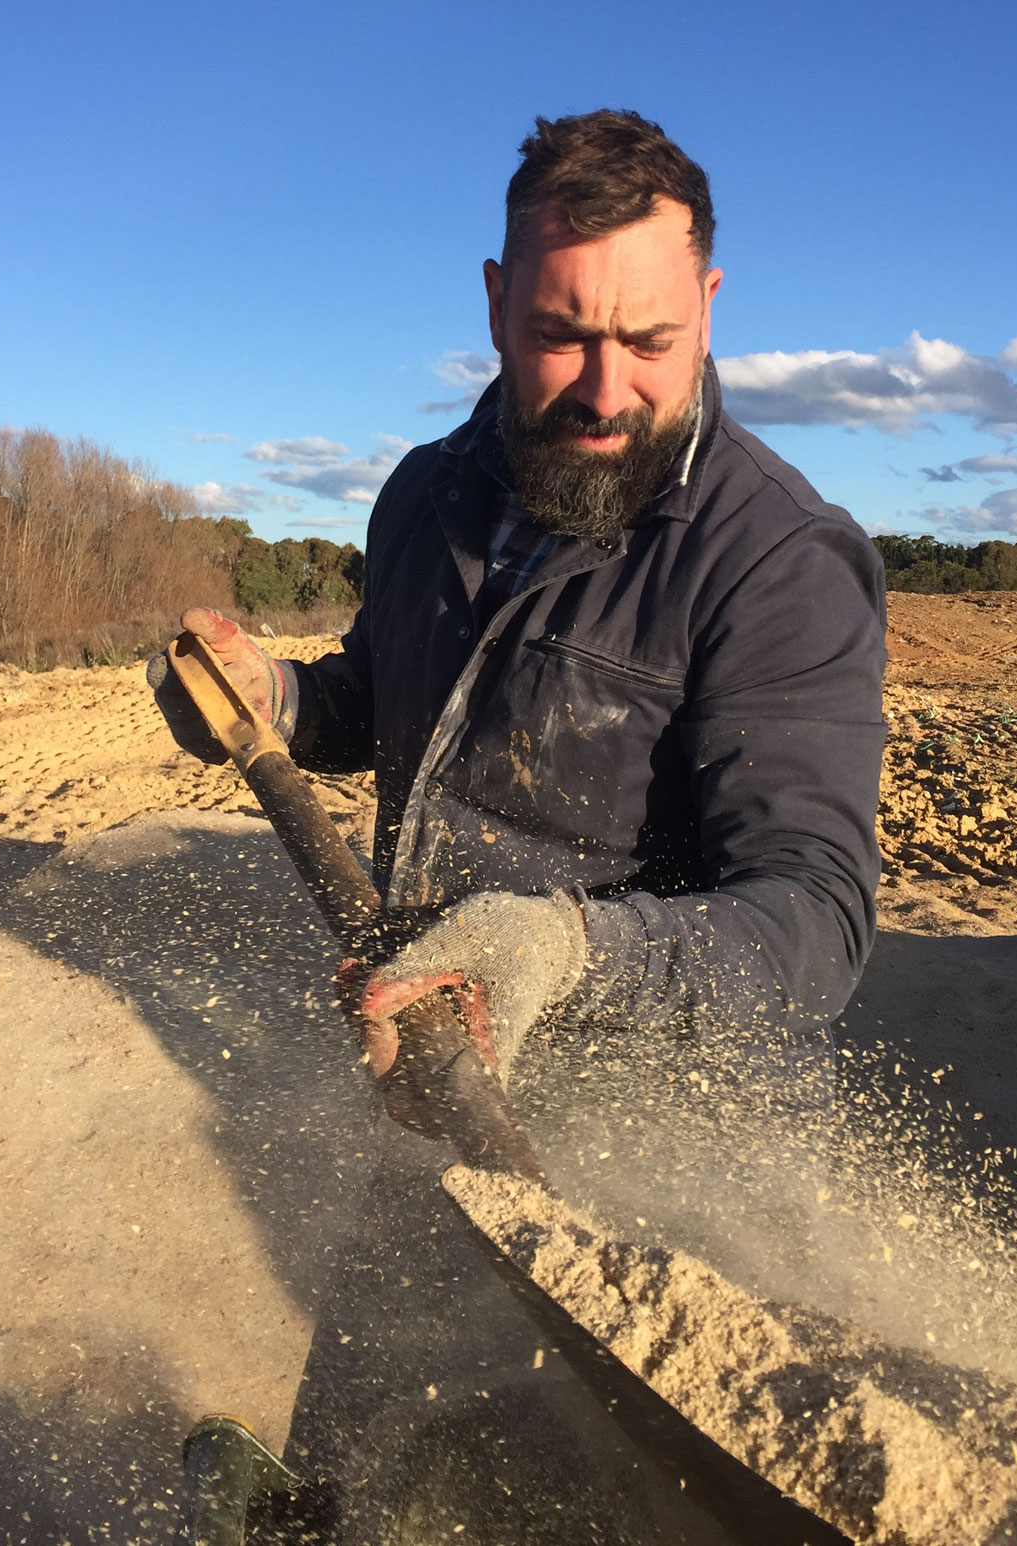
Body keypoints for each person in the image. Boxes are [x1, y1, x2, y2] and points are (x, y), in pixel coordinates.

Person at [151, 109, 886, 1542]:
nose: (606, 389)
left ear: (711, 309)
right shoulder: (427, 496)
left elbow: (814, 919)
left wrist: (560, 952)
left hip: (631, 1174)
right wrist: (276, 698)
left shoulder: (779, 565)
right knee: (365, 1448)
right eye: (561, 333)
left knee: (559, 1492)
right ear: (494, 301)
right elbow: (384, 701)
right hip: (422, 1075)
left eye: (651, 341)